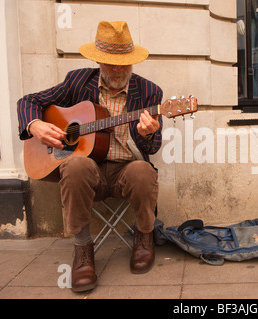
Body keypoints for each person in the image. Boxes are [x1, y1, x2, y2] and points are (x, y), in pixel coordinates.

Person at [17, 21, 163, 292]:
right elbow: (28, 101)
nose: (118, 70)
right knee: (76, 165)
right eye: (110, 63)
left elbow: (153, 147)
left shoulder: (149, 92)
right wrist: (34, 125)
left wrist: (148, 133)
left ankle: (144, 236)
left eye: (123, 63)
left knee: (143, 170)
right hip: (88, 171)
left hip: (125, 170)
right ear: (98, 60)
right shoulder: (77, 81)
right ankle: (83, 250)